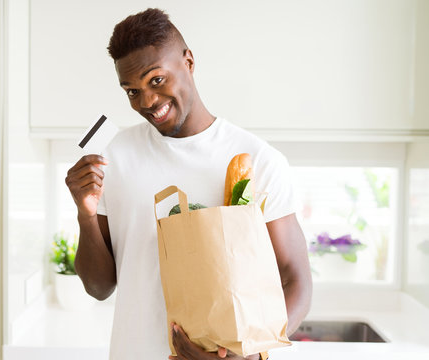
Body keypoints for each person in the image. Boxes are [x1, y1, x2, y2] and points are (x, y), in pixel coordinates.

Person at [65, 8, 312, 360]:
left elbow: (296, 281)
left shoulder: (257, 161)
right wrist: (85, 215)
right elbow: (99, 287)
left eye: (156, 80)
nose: (147, 102)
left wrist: (245, 353)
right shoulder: (114, 158)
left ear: (189, 62)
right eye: (132, 91)